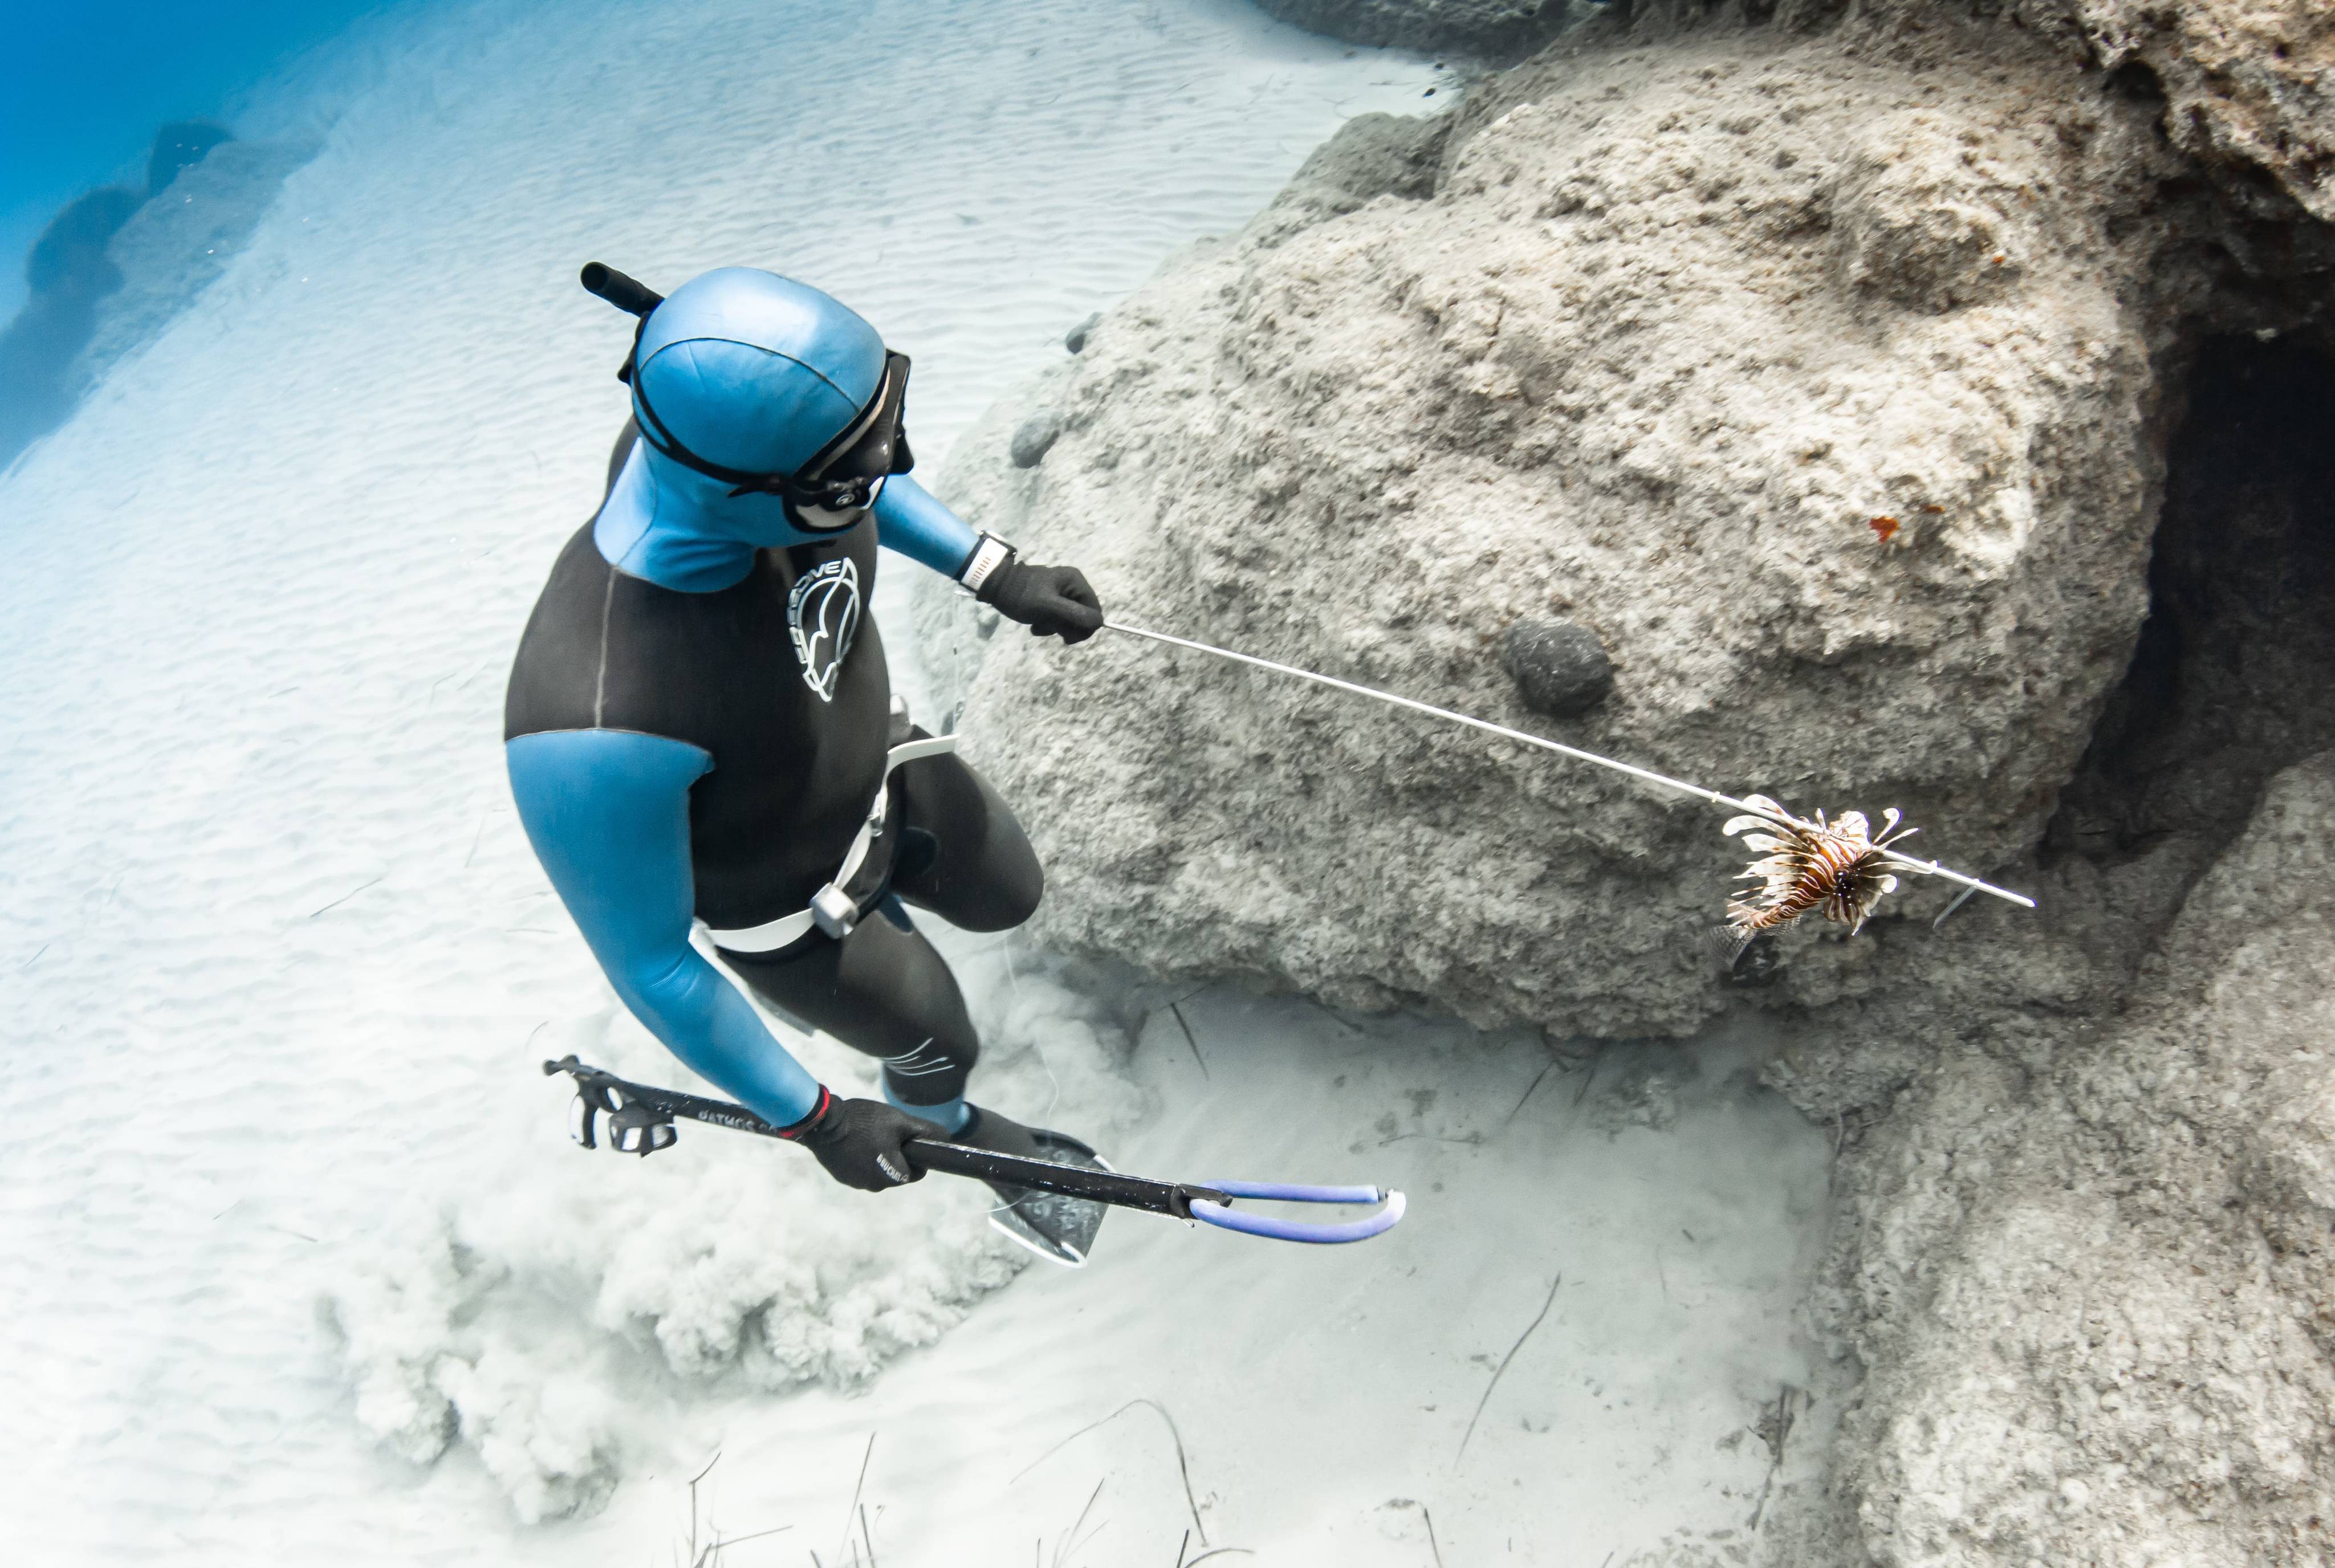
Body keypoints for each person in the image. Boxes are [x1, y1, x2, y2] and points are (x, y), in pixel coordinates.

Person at [504, 263, 1109, 1261]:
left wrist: (995, 571)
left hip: (885, 763)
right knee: (942, 1040)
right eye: (854, 474)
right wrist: (817, 1117)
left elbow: (861, 477)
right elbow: (649, 960)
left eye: (887, 424)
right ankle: (955, 1123)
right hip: (791, 913)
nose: (889, 471)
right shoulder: (592, 728)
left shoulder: (753, 460)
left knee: (1010, 894)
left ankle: (905, 959)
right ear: (739, 489)